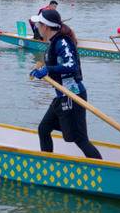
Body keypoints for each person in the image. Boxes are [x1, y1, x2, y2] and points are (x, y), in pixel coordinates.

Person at [27, 9, 102, 159]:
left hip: (73, 96)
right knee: (44, 128)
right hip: (62, 96)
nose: (37, 28)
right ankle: (47, 164)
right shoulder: (53, 42)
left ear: (46, 27)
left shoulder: (62, 42)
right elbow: (57, 67)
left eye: (39, 25)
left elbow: (72, 65)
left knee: (80, 139)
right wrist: (42, 70)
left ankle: (100, 168)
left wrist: (48, 69)